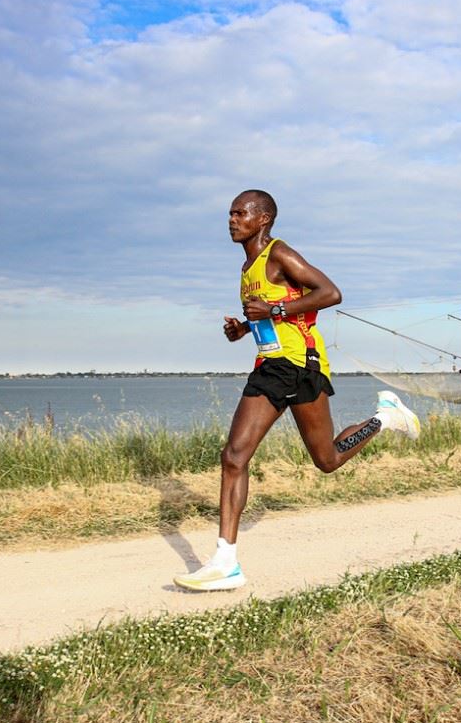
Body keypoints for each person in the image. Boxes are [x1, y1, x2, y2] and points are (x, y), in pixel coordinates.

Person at [174, 189, 421, 592]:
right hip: (271, 368)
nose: (232, 220)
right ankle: (225, 562)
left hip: (301, 367)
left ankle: (385, 418)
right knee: (234, 455)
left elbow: (330, 293)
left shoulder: (278, 253)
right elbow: (274, 314)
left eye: (240, 213)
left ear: (263, 219)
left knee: (327, 460)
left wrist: (272, 311)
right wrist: (243, 328)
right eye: (230, 213)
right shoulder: (247, 267)